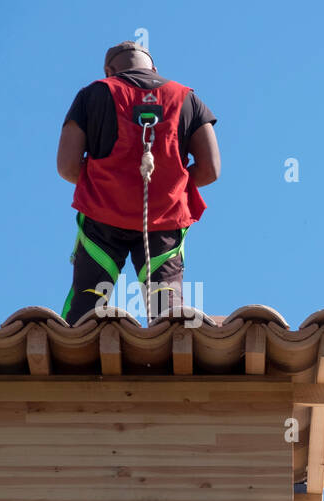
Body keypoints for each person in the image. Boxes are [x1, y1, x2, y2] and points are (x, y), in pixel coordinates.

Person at [56, 41, 219, 325]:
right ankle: (172, 350)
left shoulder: (92, 94)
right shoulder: (188, 98)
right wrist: (173, 185)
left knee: (86, 302)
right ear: (153, 68)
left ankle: (72, 351)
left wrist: (104, 181)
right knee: (168, 305)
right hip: (165, 220)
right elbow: (211, 170)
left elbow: (67, 166)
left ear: (109, 70)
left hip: (101, 217)